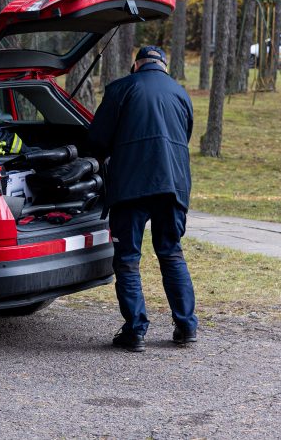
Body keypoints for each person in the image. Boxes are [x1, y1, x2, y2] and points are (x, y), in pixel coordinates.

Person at [88, 45, 198, 352]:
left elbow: (97, 139)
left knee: (127, 260)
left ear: (135, 65)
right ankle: (187, 326)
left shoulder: (121, 89)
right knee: (171, 252)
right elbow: (184, 135)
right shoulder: (180, 93)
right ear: (163, 66)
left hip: (131, 187)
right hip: (173, 185)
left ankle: (135, 331)